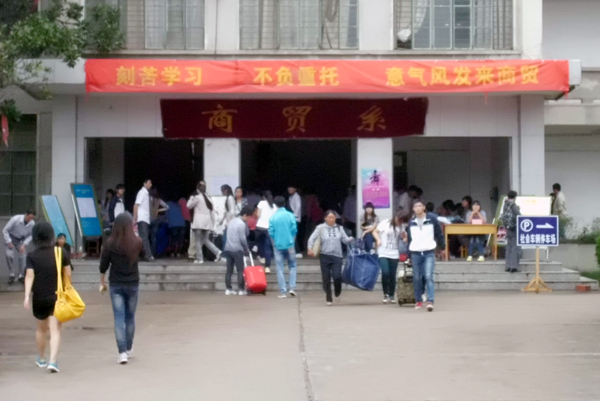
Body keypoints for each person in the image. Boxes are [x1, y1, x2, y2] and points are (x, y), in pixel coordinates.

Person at [23, 222, 71, 373]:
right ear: (51, 235)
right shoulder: (60, 252)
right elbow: (68, 273)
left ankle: (42, 359)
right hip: (57, 296)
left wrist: (26, 296)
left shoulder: (32, 256)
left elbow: (29, 276)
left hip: (39, 298)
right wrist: (68, 289)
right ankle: (53, 362)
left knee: (41, 330)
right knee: (55, 330)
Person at [99, 213, 143, 365]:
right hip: (133, 283)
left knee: (119, 317)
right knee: (130, 317)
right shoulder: (137, 242)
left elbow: (103, 265)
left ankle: (122, 352)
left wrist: (102, 281)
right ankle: (129, 347)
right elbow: (143, 255)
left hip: (116, 284)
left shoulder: (110, 244)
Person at [308, 210, 353, 306]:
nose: (331, 219)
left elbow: (345, 240)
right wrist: (310, 248)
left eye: (333, 217)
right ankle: (328, 296)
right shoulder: (320, 228)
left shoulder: (340, 228)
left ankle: (337, 290)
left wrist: (350, 239)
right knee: (326, 278)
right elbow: (312, 239)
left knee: (337, 276)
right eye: (329, 217)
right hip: (324, 256)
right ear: (325, 218)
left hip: (337, 256)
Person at [407, 199, 445, 312]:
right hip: (415, 252)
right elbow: (409, 239)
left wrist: (443, 247)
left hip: (429, 251)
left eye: (420, 206)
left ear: (424, 207)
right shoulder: (411, 222)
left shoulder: (431, 219)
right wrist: (408, 255)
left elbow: (439, 233)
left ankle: (430, 301)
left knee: (428, 276)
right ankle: (418, 300)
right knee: (417, 277)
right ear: (413, 209)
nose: (418, 208)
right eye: (415, 206)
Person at [372, 210, 407, 304]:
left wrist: (405, 238)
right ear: (395, 217)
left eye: (401, 221)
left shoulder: (402, 226)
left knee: (392, 274)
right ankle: (386, 294)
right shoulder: (385, 223)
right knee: (385, 272)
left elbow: (404, 236)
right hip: (383, 252)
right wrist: (378, 240)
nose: (399, 222)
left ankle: (391, 295)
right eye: (398, 219)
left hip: (394, 253)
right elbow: (375, 232)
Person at [269, 196, 298, 299]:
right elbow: (294, 230)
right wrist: (292, 242)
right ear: (285, 203)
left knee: (280, 268)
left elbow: (271, 232)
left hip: (278, 246)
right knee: (293, 266)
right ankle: (292, 288)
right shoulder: (290, 215)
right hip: (290, 245)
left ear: (275, 205)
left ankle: (283, 292)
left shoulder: (273, 217)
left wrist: (274, 244)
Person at [187, 181, 222, 264]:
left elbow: (188, 205)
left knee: (197, 241)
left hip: (198, 223)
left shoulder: (197, 197)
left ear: (198, 189)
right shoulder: (209, 199)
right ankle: (218, 252)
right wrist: (213, 224)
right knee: (206, 240)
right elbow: (212, 213)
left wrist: (191, 197)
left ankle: (200, 259)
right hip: (207, 223)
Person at [223, 206, 253, 296]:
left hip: (228, 248)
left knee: (229, 270)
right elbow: (243, 239)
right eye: (248, 217)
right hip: (237, 249)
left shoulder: (232, 221)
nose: (248, 219)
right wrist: (246, 248)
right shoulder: (241, 224)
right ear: (245, 215)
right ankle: (241, 289)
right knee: (240, 270)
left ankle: (228, 289)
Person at [3, 209, 36, 284]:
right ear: (26, 214)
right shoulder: (16, 219)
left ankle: (21, 275)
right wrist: (9, 241)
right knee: (9, 255)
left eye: (32, 218)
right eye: (29, 217)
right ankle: (11, 274)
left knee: (23, 256)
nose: (30, 220)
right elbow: (5, 230)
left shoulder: (32, 223)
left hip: (21, 240)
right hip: (11, 237)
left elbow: (31, 235)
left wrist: (24, 244)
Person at [255, 191, 277, 273]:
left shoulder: (261, 203)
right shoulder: (274, 206)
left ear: (263, 197)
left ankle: (262, 257)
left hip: (260, 227)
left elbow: (258, 215)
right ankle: (267, 267)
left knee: (260, 244)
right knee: (268, 247)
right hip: (269, 229)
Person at [133, 179, 153, 261]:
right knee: (144, 237)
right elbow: (136, 205)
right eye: (149, 183)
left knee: (143, 237)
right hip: (142, 217)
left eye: (151, 183)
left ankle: (144, 254)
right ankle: (147, 255)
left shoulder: (145, 193)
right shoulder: (142, 192)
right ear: (144, 184)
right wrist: (135, 217)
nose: (150, 184)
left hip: (144, 218)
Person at [503, 191, 521, 273]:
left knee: (509, 246)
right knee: (514, 246)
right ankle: (513, 266)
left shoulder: (505, 205)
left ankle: (507, 266)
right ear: (515, 197)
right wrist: (518, 209)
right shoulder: (513, 205)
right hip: (514, 227)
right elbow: (519, 215)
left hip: (508, 227)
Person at [149, 188, 169, 258]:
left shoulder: (147, 199)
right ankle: (154, 254)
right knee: (154, 238)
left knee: (146, 237)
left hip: (147, 219)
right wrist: (159, 210)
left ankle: (147, 253)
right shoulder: (159, 200)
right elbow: (167, 207)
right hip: (155, 219)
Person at [288, 185, 303, 258]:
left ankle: (298, 252)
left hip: (295, 218)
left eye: (291, 188)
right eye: (289, 188)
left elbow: (298, 206)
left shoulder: (296, 196)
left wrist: (295, 216)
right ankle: (295, 251)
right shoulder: (291, 196)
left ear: (295, 189)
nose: (289, 189)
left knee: (293, 235)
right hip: (292, 218)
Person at [219, 185, 236, 250]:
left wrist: (229, 222)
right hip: (230, 221)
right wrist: (222, 220)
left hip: (230, 222)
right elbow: (226, 211)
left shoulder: (230, 198)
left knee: (225, 239)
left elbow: (232, 211)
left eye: (222, 190)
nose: (222, 192)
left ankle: (225, 253)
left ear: (226, 190)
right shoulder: (229, 198)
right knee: (226, 238)